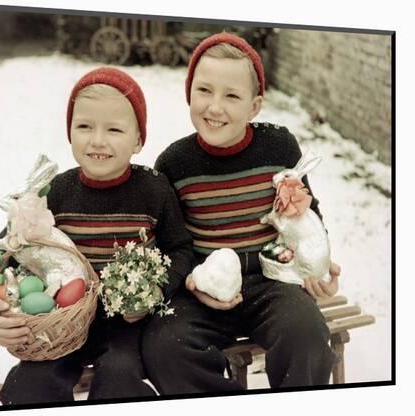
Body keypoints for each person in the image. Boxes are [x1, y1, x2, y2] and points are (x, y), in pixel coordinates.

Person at [0, 67, 193, 405]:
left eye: (114, 129)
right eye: (84, 126)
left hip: (126, 325)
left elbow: (181, 249)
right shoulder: (56, 193)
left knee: (120, 377)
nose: (97, 140)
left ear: (138, 140)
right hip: (60, 324)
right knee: (28, 385)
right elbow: (0, 250)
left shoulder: (154, 189)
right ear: (70, 132)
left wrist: (155, 289)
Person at [141, 32, 341, 395]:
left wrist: (319, 267)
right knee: (164, 346)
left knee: (306, 334)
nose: (215, 107)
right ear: (189, 93)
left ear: (254, 105)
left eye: (232, 95)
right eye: (204, 90)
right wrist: (190, 284)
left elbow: (307, 213)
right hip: (204, 285)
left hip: (273, 281)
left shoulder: (279, 146)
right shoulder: (174, 163)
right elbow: (171, 243)